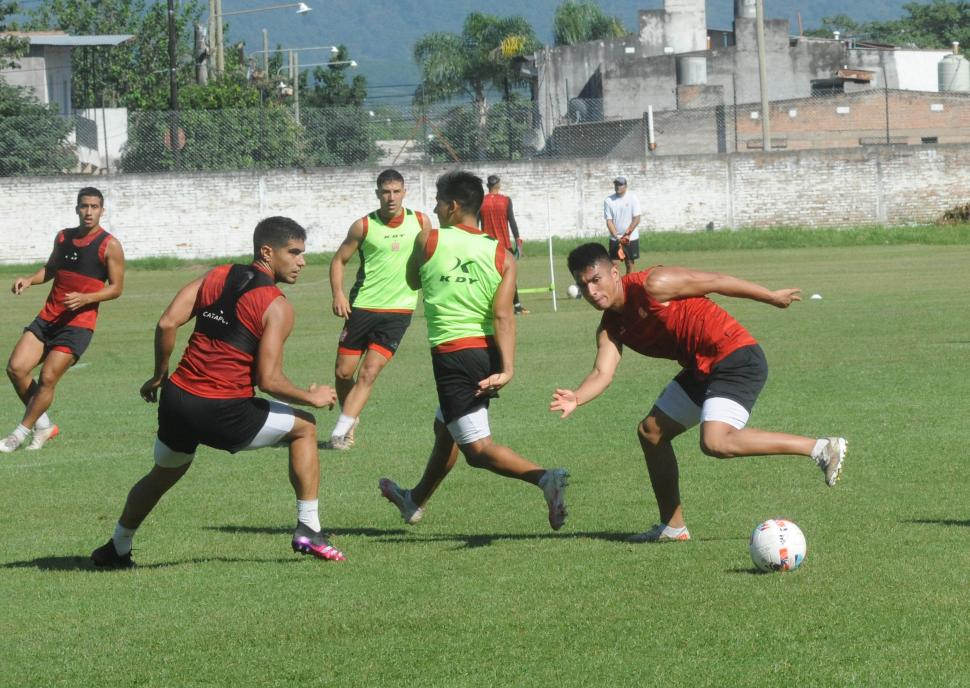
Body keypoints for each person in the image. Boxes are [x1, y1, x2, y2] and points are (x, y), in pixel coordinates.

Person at [91, 217, 345, 568]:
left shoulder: (218, 275)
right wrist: (310, 396)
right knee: (305, 427)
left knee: (163, 473)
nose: (302, 261)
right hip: (222, 409)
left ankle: (116, 547)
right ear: (267, 252)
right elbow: (268, 380)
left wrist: (159, 375)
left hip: (177, 399)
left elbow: (167, 322)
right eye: (295, 252)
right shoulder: (277, 306)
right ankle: (309, 528)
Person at [550, 243, 847, 542]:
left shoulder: (653, 284)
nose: (590, 290)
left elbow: (716, 281)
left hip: (734, 356)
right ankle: (673, 527)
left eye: (595, 279)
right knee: (651, 432)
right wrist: (577, 396)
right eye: (582, 283)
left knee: (715, 441)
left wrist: (769, 296)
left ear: (614, 272)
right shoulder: (610, 327)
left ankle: (821, 447)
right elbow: (603, 373)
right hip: (700, 369)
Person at [378, 171, 569, 531]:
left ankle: (546, 479)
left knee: (477, 451)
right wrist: (508, 368)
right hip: (488, 355)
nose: (434, 209)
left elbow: (412, 280)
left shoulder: (428, 240)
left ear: (451, 207)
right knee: (445, 427)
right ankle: (414, 500)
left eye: (437, 202)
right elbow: (503, 314)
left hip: (453, 355)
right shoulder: (502, 254)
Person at [2, 187, 125, 453]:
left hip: (78, 326)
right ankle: (44, 425)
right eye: (84, 206)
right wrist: (29, 280)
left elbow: (116, 288)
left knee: (47, 378)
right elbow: (50, 269)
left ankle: (17, 435)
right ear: (77, 208)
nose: (89, 212)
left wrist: (86, 298)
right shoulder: (63, 237)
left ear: (102, 211)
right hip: (48, 318)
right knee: (16, 369)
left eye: (94, 207)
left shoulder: (110, 245)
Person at [324, 169, 432, 450]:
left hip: (399, 311)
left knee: (369, 372)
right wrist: (338, 294)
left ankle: (342, 432)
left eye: (396, 191)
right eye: (386, 192)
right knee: (343, 373)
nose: (391, 197)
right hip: (362, 307)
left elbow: (432, 257)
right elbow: (339, 261)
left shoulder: (421, 222)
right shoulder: (364, 226)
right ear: (377, 194)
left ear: (405, 192)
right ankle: (351, 415)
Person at [480, 174, 527, 315]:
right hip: (504, 246)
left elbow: (475, 223)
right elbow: (511, 221)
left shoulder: (481, 201)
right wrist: (518, 239)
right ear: (498, 185)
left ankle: (487, 307)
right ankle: (517, 306)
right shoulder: (505, 201)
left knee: (487, 277)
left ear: (488, 186)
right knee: (509, 276)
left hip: (487, 246)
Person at [604, 176, 641, 274]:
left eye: (620, 184)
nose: (618, 186)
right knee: (614, 265)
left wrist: (627, 234)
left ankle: (628, 287)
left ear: (626, 186)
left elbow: (637, 218)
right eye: (616, 184)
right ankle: (617, 288)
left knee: (629, 264)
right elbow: (609, 221)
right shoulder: (609, 200)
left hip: (630, 238)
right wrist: (617, 236)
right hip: (615, 238)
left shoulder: (633, 198)